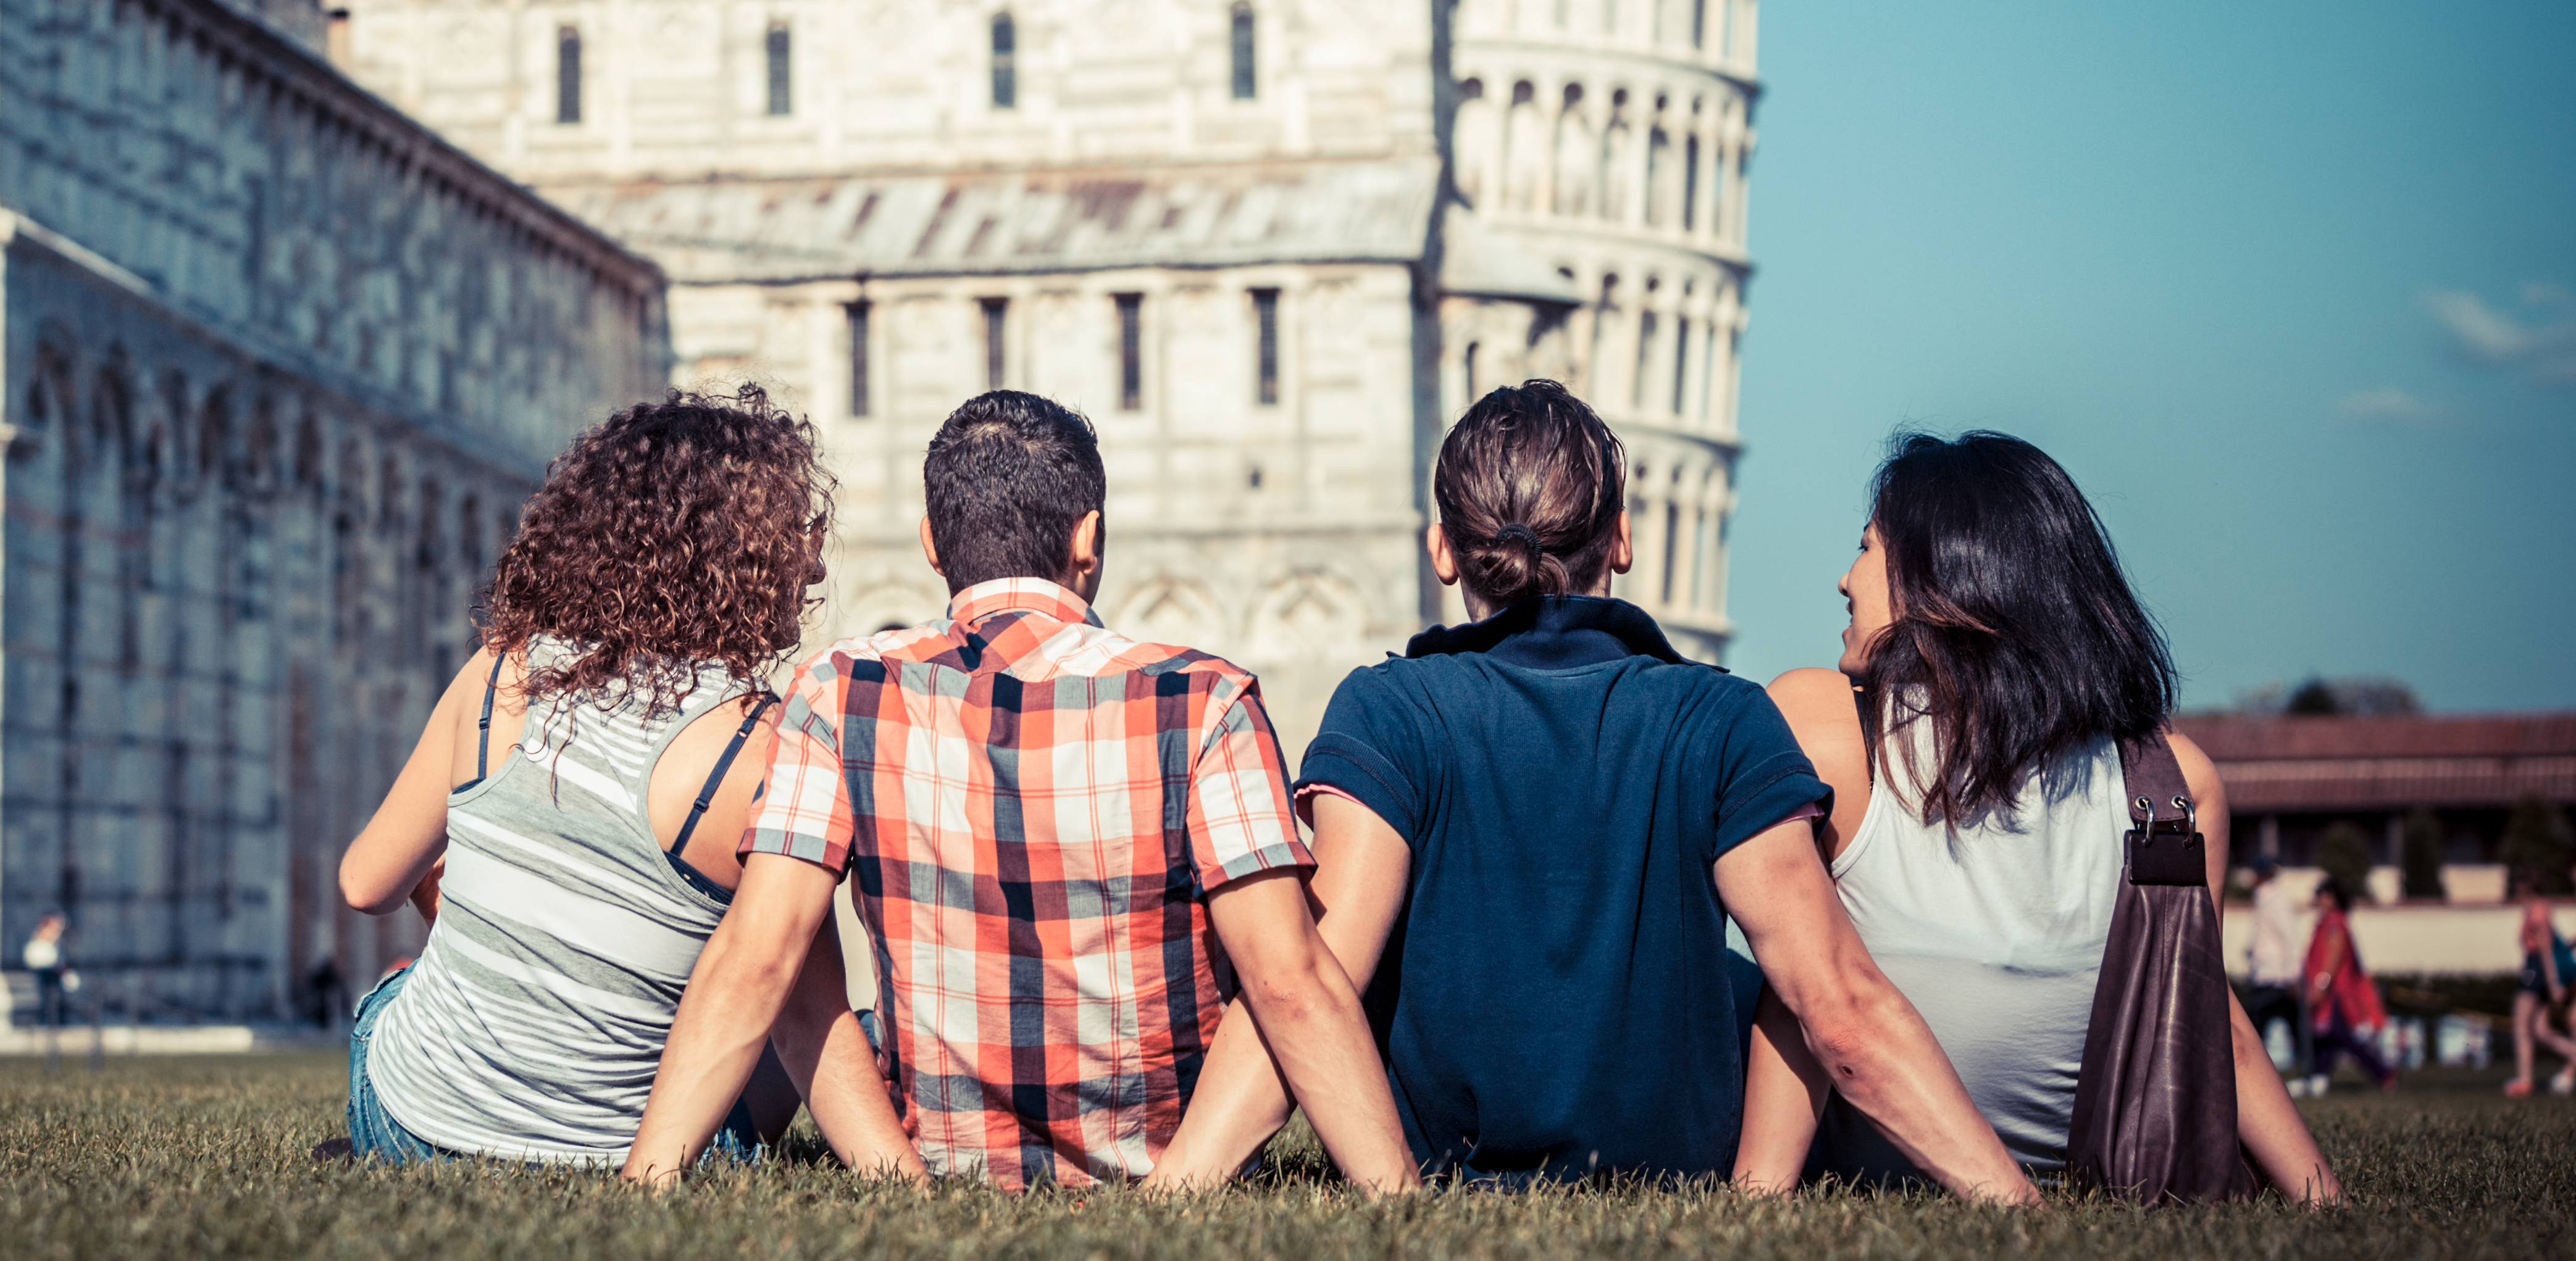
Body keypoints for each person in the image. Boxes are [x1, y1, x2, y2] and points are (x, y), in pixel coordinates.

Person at [1149, 383, 2028, 1199]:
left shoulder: (1389, 710)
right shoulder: (1720, 718)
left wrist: (1183, 1189)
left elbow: (1312, 981)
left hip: (1450, 1165)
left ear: (1444, 550)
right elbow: (1834, 999)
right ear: (1622, 538)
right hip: (1676, 1172)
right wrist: (2020, 1209)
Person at [622, 390, 1418, 1192]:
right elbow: (1289, 982)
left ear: (933, 545)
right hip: (1158, 1164)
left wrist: (645, 1184)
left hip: (945, 1168)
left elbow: (758, 957)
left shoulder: (839, 691)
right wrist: (1397, 1199)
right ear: (1089, 539)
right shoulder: (1203, 701)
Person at [1733, 431, 2336, 1199]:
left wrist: (1758, 1196)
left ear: (1946, 576)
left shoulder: (1824, 725)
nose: (1845, 578)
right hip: (2101, 1170)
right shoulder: (2172, 782)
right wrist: (2325, 1202)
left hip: (1873, 1171)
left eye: (1867, 548)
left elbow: (1815, 994)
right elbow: (2202, 1015)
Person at [336, 388, 897, 1168]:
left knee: (392, 999)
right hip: (623, 1150)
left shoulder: (504, 668)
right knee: (837, 1024)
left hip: (406, 1129)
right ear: (746, 556)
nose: (815, 564)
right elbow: (801, 1011)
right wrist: (906, 1183)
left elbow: (366, 882)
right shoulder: (758, 745)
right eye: (797, 535)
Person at [2239, 857, 2320, 1094]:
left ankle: (2306, 1076)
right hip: (2265, 974)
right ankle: (2308, 1076)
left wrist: (2294, 976)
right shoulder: (2263, 898)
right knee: (2292, 1028)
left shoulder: (2276, 900)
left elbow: (2291, 938)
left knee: (2255, 1024)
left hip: (2278, 978)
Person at [2304, 877, 2394, 1091]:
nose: (2319, 901)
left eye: (2322, 896)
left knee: (2340, 1035)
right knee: (2330, 1036)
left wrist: (2321, 985)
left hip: (2336, 991)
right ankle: (2319, 1077)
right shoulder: (2330, 921)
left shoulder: (2334, 922)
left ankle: (2383, 1072)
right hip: (2333, 989)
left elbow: (2333, 957)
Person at [2510, 895, 2576, 1097]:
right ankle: (2525, 1080)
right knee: (2541, 1031)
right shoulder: (2541, 907)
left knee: (2521, 1027)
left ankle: (2525, 1080)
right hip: (2539, 969)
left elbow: (2545, 947)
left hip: (2537, 969)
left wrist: (2553, 981)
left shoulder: (2537, 909)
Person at [22, 911, 70, 1028]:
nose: (57, 934)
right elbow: (36, 965)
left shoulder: (58, 948)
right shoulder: (36, 947)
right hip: (43, 988)